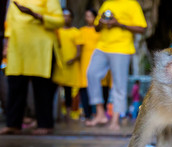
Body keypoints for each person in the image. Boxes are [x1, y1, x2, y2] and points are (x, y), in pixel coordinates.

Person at [0, 0, 64, 135]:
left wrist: (35, 15)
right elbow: (10, 25)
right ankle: (13, 124)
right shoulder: (14, 1)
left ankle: (45, 124)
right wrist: (7, 45)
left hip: (41, 49)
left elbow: (59, 21)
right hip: (18, 48)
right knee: (15, 86)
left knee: (42, 88)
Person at [86, 0, 147, 130]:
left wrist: (118, 24)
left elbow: (142, 28)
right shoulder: (107, 3)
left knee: (119, 84)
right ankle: (100, 113)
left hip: (121, 48)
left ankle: (115, 119)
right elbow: (96, 28)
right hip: (102, 47)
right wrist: (102, 23)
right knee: (91, 73)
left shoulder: (132, 4)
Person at [79, 8, 112, 123]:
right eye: (86, 16)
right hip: (87, 63)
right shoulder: (82, 31)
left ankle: (101, 114)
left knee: (102, 88)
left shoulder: (103, 31)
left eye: (90, 16)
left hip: (101, 62)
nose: (88, 19)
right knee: (87, 87)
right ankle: (91, 115)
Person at [53, 8, 83, 122]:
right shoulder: (56, 31)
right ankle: (57, 114)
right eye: (63, 16)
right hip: (58, 66)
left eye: (68, 16)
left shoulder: (76, 32)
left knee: (69, 91)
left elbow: (79, 51)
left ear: (71, 18)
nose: (66, 18)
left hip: (71, 66)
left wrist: (72, 59)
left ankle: (68, 115)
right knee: (55, 91)